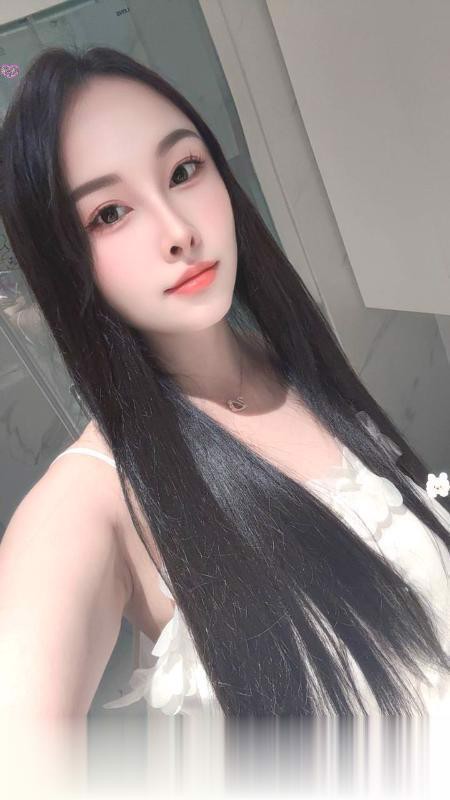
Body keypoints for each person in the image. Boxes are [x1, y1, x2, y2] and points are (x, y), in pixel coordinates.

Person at [0, 45, 449, 737]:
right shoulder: (87, 502)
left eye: (184, 170)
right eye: (110, 213)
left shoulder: (292, 363)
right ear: (64, 260)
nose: (178, 231)